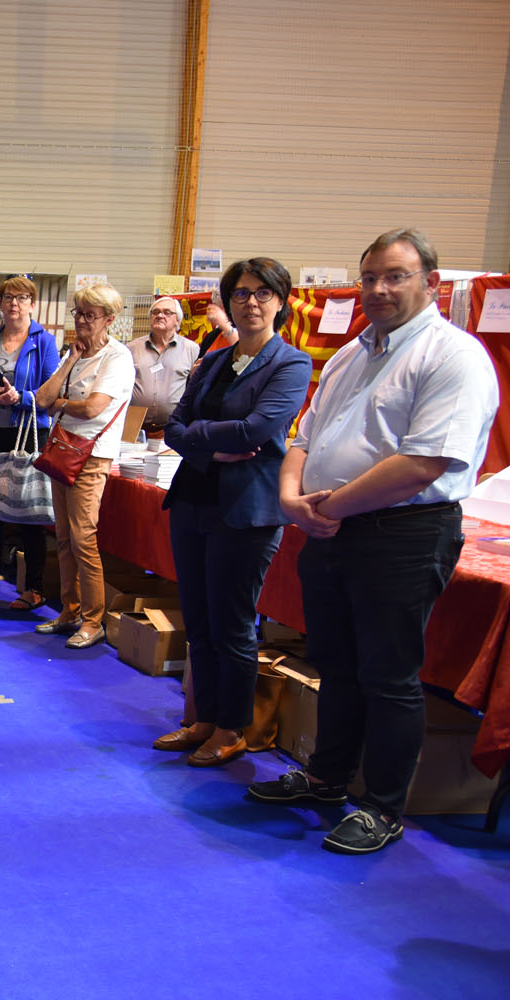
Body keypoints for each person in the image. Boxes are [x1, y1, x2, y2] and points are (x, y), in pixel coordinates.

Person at [249, 228, 499, 854]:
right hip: (329, 530)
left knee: (389, 676)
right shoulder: (349, 355)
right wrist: (291, 500)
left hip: (403, 533)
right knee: (336, 665)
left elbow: (424, 462)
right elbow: (304, 437)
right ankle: (327, 778)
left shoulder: (453, 356)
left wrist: (326, 507)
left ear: (431, 283)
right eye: (369, 278)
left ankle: (383, 807)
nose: (378, 289)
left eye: (394, 276)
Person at [152, 258, 311, 766]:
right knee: (199, 621)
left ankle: (231, 728)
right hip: (193, 500)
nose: (251, 302)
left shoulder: (291, 364)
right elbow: (174, 426)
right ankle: (203, 719)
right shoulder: (215, 360)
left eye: (263, 293)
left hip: (246, 511)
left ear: (281, 301)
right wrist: (212, 449)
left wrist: (200, 437)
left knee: (232, 625)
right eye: (241, 293)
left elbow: (257, 430)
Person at [32, 283, 134, 649]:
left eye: (90, 315)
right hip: (64, 450)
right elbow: (42, 399)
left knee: (82, 537)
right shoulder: (74, 353)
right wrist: (70, 361)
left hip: (92, 455)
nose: (82, 321)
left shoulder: (117, 357)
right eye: (78, 313)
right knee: (63, 536)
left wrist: (60, 404)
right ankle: (70, 611)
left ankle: (93, 620)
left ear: (109, 319)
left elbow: (93, 408)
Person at [0, 280, 60, 608]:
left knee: (30, 512)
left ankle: (34, 588)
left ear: (33, 303)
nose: (14, 303)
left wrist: (20, 398)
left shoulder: (44, 342)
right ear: (1, 303)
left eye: (21, 297)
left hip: (29, 434)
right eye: (8, 297)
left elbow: (51, 394)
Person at [130, 296, 199, 441]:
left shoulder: (191, 349)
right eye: (155, 312)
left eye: (167, 312)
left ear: (177, 320)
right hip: (135, 429)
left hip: (173, 428)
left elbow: (196, 388)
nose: (160, 316)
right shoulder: (132, 348)